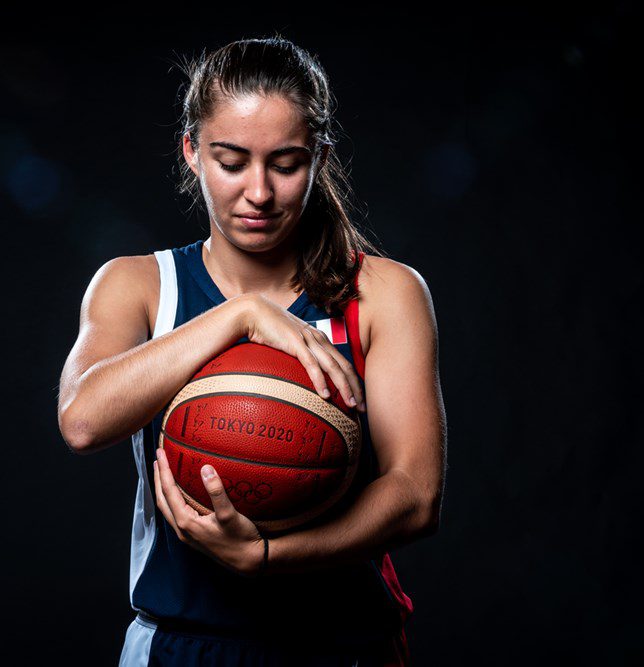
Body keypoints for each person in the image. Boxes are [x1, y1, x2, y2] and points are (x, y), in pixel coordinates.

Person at [57, 35, 446, 667]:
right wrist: (241, 315)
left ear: (319, 158)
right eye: (232, 161)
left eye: (286, 164)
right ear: (192, 151)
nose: (259, 192)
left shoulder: (382, 293)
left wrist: (268, 557)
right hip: (179, 645)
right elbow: (81, 420)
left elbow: (416, 495)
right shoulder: (140, 285)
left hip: (343, 648)